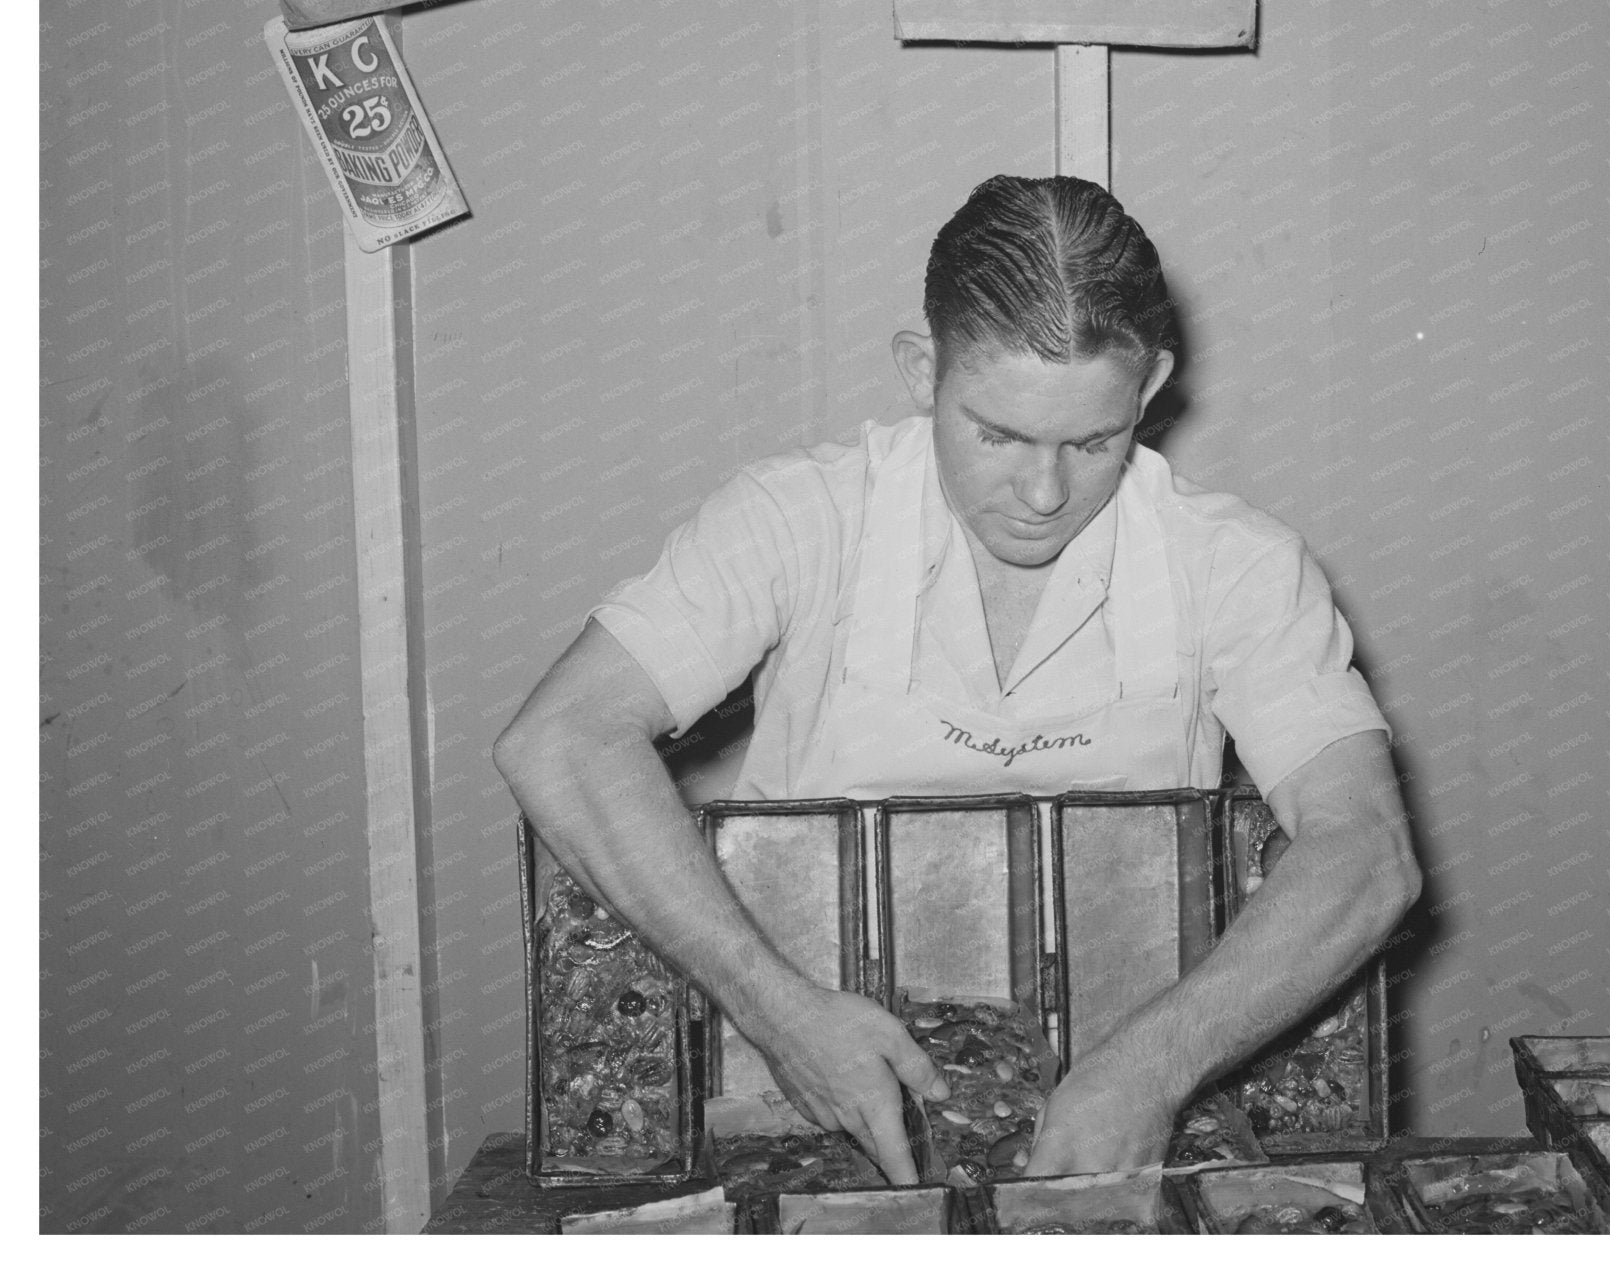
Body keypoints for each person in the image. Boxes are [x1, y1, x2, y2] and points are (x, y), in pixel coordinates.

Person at [493, 175, 1421, 1183]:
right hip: (808, 1103)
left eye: (1093, 441)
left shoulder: (1235, 566)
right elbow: (563, 737)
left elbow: (1365, 853)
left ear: (1149, 387)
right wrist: (773, 1010)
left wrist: (1151, 1071)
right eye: (997, 434)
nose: (1041, 492)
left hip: (1121, 1112)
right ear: (920, 368)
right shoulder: (798, 520)